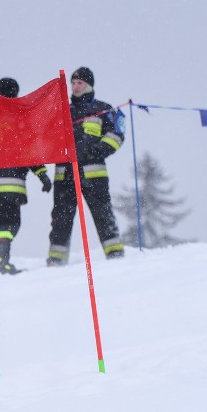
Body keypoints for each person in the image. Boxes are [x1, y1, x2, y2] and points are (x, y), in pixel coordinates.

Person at [0, 77, 53, 273]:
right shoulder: (17, 117)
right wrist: (42, 175)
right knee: (10, 224)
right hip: (11, 181)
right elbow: (29, 152)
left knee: (1, 223)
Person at [46, 67, 125, 266]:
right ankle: (56, 259)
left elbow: (117, 134)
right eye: (73, 83)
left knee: (103, 214)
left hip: (94, 174)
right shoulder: (61, 111)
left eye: (79, 82)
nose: (75, 87)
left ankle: (115, 254)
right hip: (65, 174)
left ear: (89, 85)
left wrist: (99, 150)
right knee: (61, 218)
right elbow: (48, 139)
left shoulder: (103, 109)